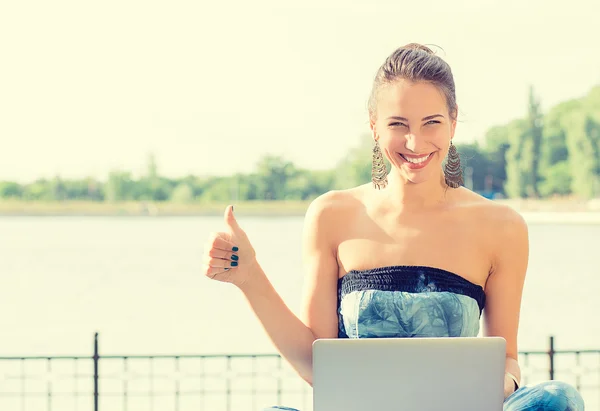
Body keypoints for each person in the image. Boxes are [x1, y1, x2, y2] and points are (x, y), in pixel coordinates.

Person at [202, 43, 585, 410]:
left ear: (453, 123)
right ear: (375, 126)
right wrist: (248, 276)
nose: (415, 142)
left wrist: (504, 383)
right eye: (398, 124)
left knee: (559, 398)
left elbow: (508, 361)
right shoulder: (331, 214)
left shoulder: (502, 227)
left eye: (431, 122)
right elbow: (316, 363)